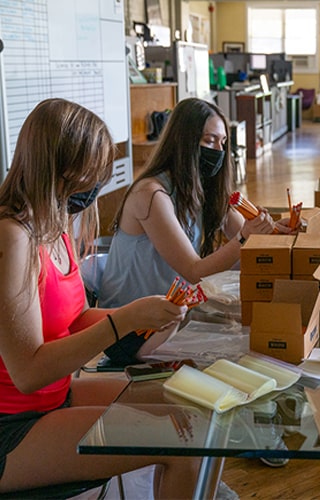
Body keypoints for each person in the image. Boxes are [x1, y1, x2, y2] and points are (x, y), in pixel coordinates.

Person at [0, 98, 199, 496]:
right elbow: (29, 373)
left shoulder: (54, 224)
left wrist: (142, 314)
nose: (97, 187)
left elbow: (73, 320)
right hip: (13, 426)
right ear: (60, 167)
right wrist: (123, 321)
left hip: (55, 398)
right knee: (185, 442)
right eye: (91, 175)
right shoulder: (13, 237)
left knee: (193, 408)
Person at [99, 98, 292, 364]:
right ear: (184, 141)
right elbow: (194, 270)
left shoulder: (203, 189)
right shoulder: (151, 194)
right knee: (241, 353)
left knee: (256, 338)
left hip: (170, 316)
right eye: (210, 141)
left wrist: (275, 232)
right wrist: (245, 237)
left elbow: (250, 243)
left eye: (223, 143)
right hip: (131, 330)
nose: (218, 151)